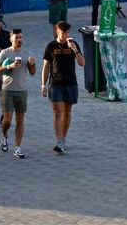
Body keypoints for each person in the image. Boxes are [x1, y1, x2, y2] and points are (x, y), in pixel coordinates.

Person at [41, 20, 84, 154]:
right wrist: (43, 84)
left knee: (67, 112)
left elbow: (82, 63)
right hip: (55, 84)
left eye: (67, 32)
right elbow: (46, 66)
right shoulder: (51, 46)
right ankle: (59, 140)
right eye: (63, 32)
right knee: (57, 112)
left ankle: (63, 138)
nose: (66, 35)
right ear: (57, 32)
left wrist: (75, 50)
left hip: (70, 82)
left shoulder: (73, 44)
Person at [0, 28, 36, 158]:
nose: (19, 40)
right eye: (16, 37)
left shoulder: (26, 53)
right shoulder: (5, 53)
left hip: (22, 91)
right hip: (7, 90)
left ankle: (17, 147)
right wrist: (9, 67)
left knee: (20, 120)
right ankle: (4, 135)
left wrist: (32, 65)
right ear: (11, 39)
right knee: (7, 121)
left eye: (21, 37)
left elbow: (33, 73)